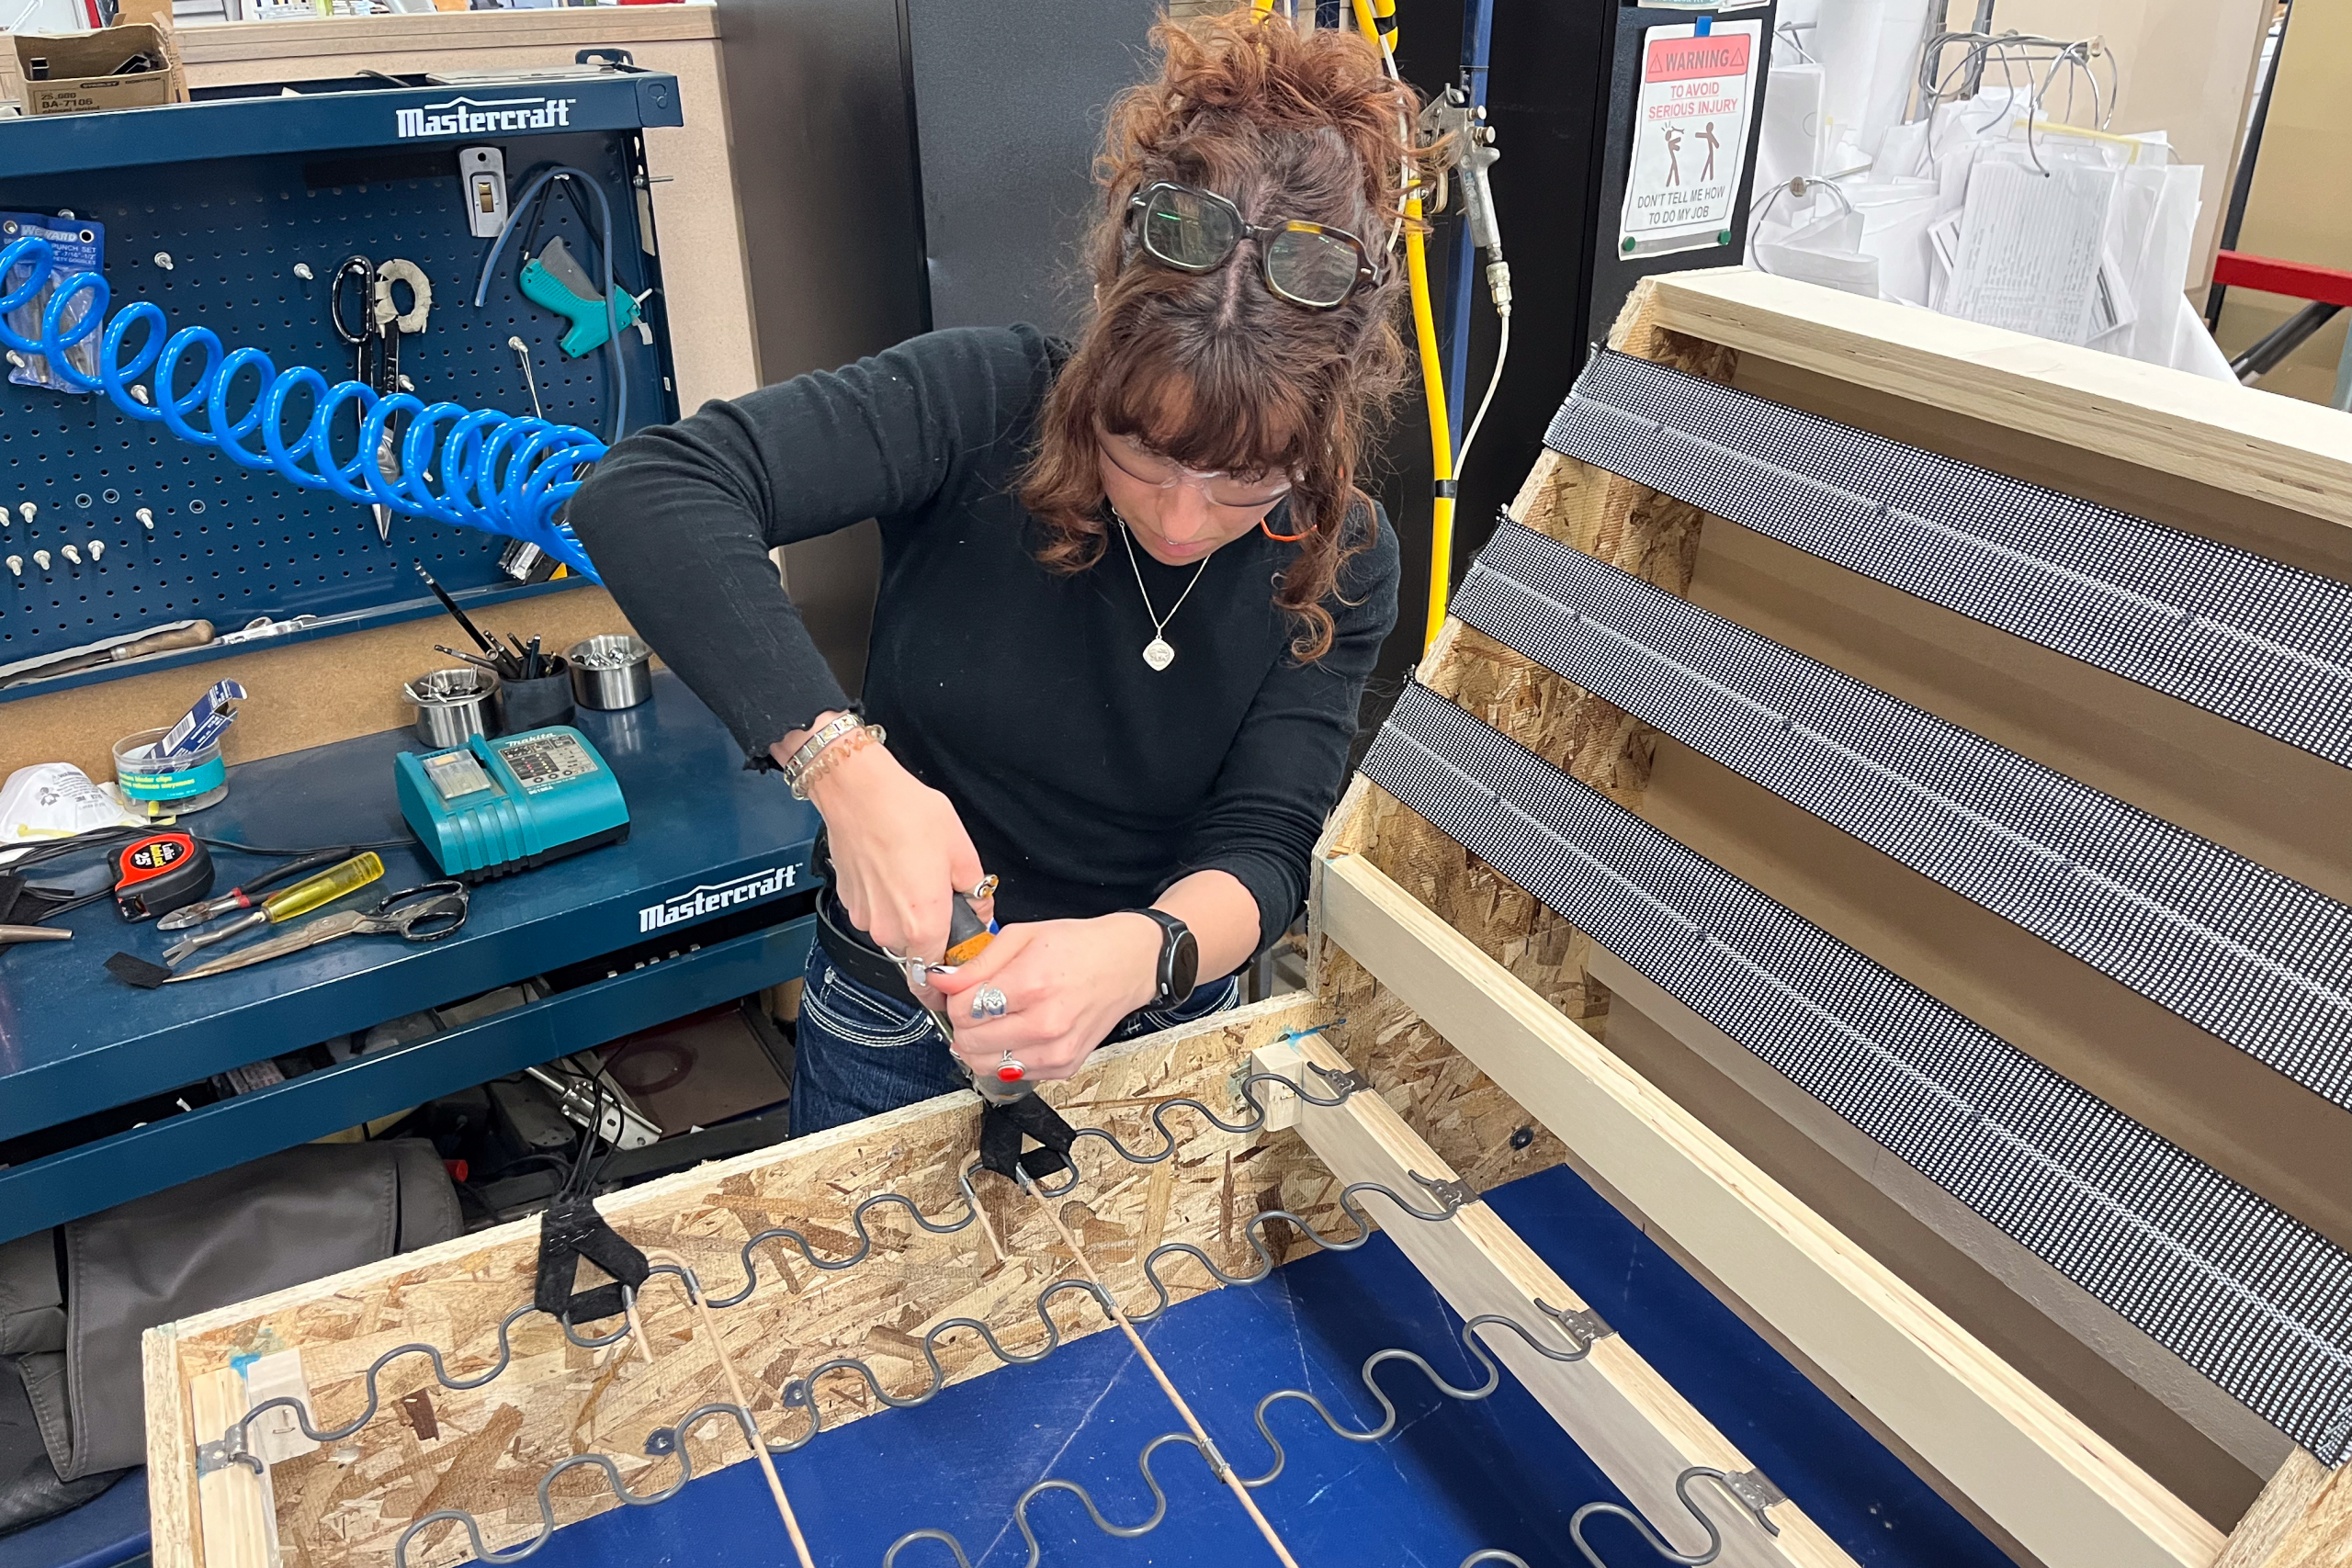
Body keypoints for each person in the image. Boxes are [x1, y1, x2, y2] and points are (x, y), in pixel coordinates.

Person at [568, 13, 1425, 1135]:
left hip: (1152, 1021)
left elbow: (1266, 846)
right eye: (1146, 455)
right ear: (1104, 361)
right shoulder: (980, 403)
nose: (1181, 519)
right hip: (899, 1014)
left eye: (1246, 480)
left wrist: (1139, 954)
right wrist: (841, 766)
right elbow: (647, 492)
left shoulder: (1341, 551)